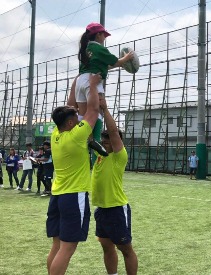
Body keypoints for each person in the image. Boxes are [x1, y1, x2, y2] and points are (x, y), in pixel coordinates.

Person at [45, 73, 101, 274]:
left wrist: (75, 84)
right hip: (73, 195)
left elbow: (70, 108)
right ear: (70, 124)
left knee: (57, 246)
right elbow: (94, 110)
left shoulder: (56, 134)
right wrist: (92, 85)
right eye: (75, 118)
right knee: (68, 248)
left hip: (58, 195)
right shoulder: (77, 136)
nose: (78, 117)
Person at [91, 97, 138, 275]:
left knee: (125, 249)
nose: (104, 144)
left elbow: (113, 133)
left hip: (116, 208)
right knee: (106, 247)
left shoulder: (119, 156)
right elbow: (89, 138)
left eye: (107, 141)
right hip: (101, 209)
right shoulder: (101, 155)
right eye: (102, 142)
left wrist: (105, 110)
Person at [74, 22, 134, 157]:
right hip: (93, 81)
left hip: (80, 81)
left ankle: (87, 140)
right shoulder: (99, 48)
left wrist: (119, 64)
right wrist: (127, 58)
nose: (105, 38)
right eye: (104, 35)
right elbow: (115, 62)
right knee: (98, 111)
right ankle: (95, 142)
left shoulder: (85, 49)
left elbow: (104, 66)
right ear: (98, 35)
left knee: (83, 116)